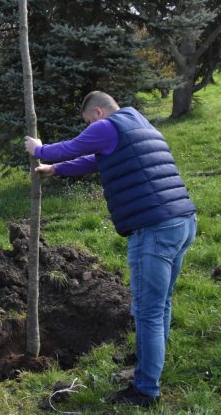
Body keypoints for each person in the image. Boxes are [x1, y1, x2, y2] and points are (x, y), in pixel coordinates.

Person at [24, 91, 197, 408]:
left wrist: (40, 149)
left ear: (98, 113)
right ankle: (148, 358)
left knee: (147, 312)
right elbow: (95, 159)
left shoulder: (105, 126)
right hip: (181, 220)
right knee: (161, 303)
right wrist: (56, 169)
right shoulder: (136, 121)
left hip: (154, 228)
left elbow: (74, 147)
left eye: (89, 121)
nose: (90, 127)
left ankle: (145, 390)